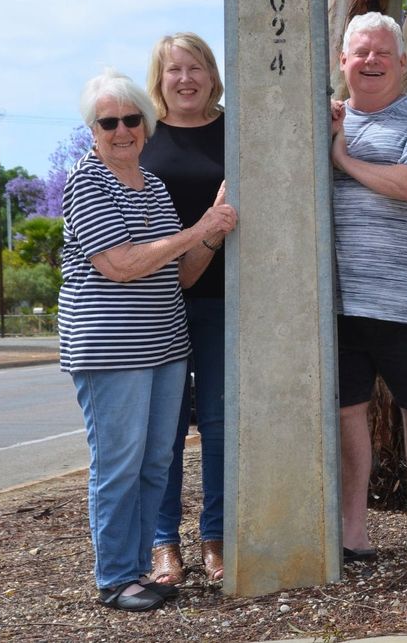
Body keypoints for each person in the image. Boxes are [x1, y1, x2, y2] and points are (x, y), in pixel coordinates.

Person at [59, 68, 236, 611]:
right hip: (111, 352)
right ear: (92, 130)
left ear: (146, 123)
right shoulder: (87, 182)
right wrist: (196, 228)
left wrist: (212, 229)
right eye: (107, 122)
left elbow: (180, 274)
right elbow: (121, 265)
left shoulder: (153, 185)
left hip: (164, 346)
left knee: (155, 463)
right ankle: (114, 578)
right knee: (118, 464)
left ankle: (138, 571)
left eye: (131, 119)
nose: (121, 130)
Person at [329, 12, 407, 562]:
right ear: (343, 62)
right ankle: (352, 531)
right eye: (361, 52)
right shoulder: (323, 120)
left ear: (403, 62)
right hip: (338, 304)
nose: (372, 60)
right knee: (345, 413)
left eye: (383, 52)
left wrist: (343, 159)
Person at [141, 32, 227, 585]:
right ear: (160, 79)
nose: (186, 79)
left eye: (195, 68)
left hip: (225, 302)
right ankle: (163, 543)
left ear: (211, 74)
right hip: (156, 305)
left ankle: (217, 536)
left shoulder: (236, 131)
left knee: (221, 425)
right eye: (174, 70)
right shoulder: (141, 136)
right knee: (165, 430)